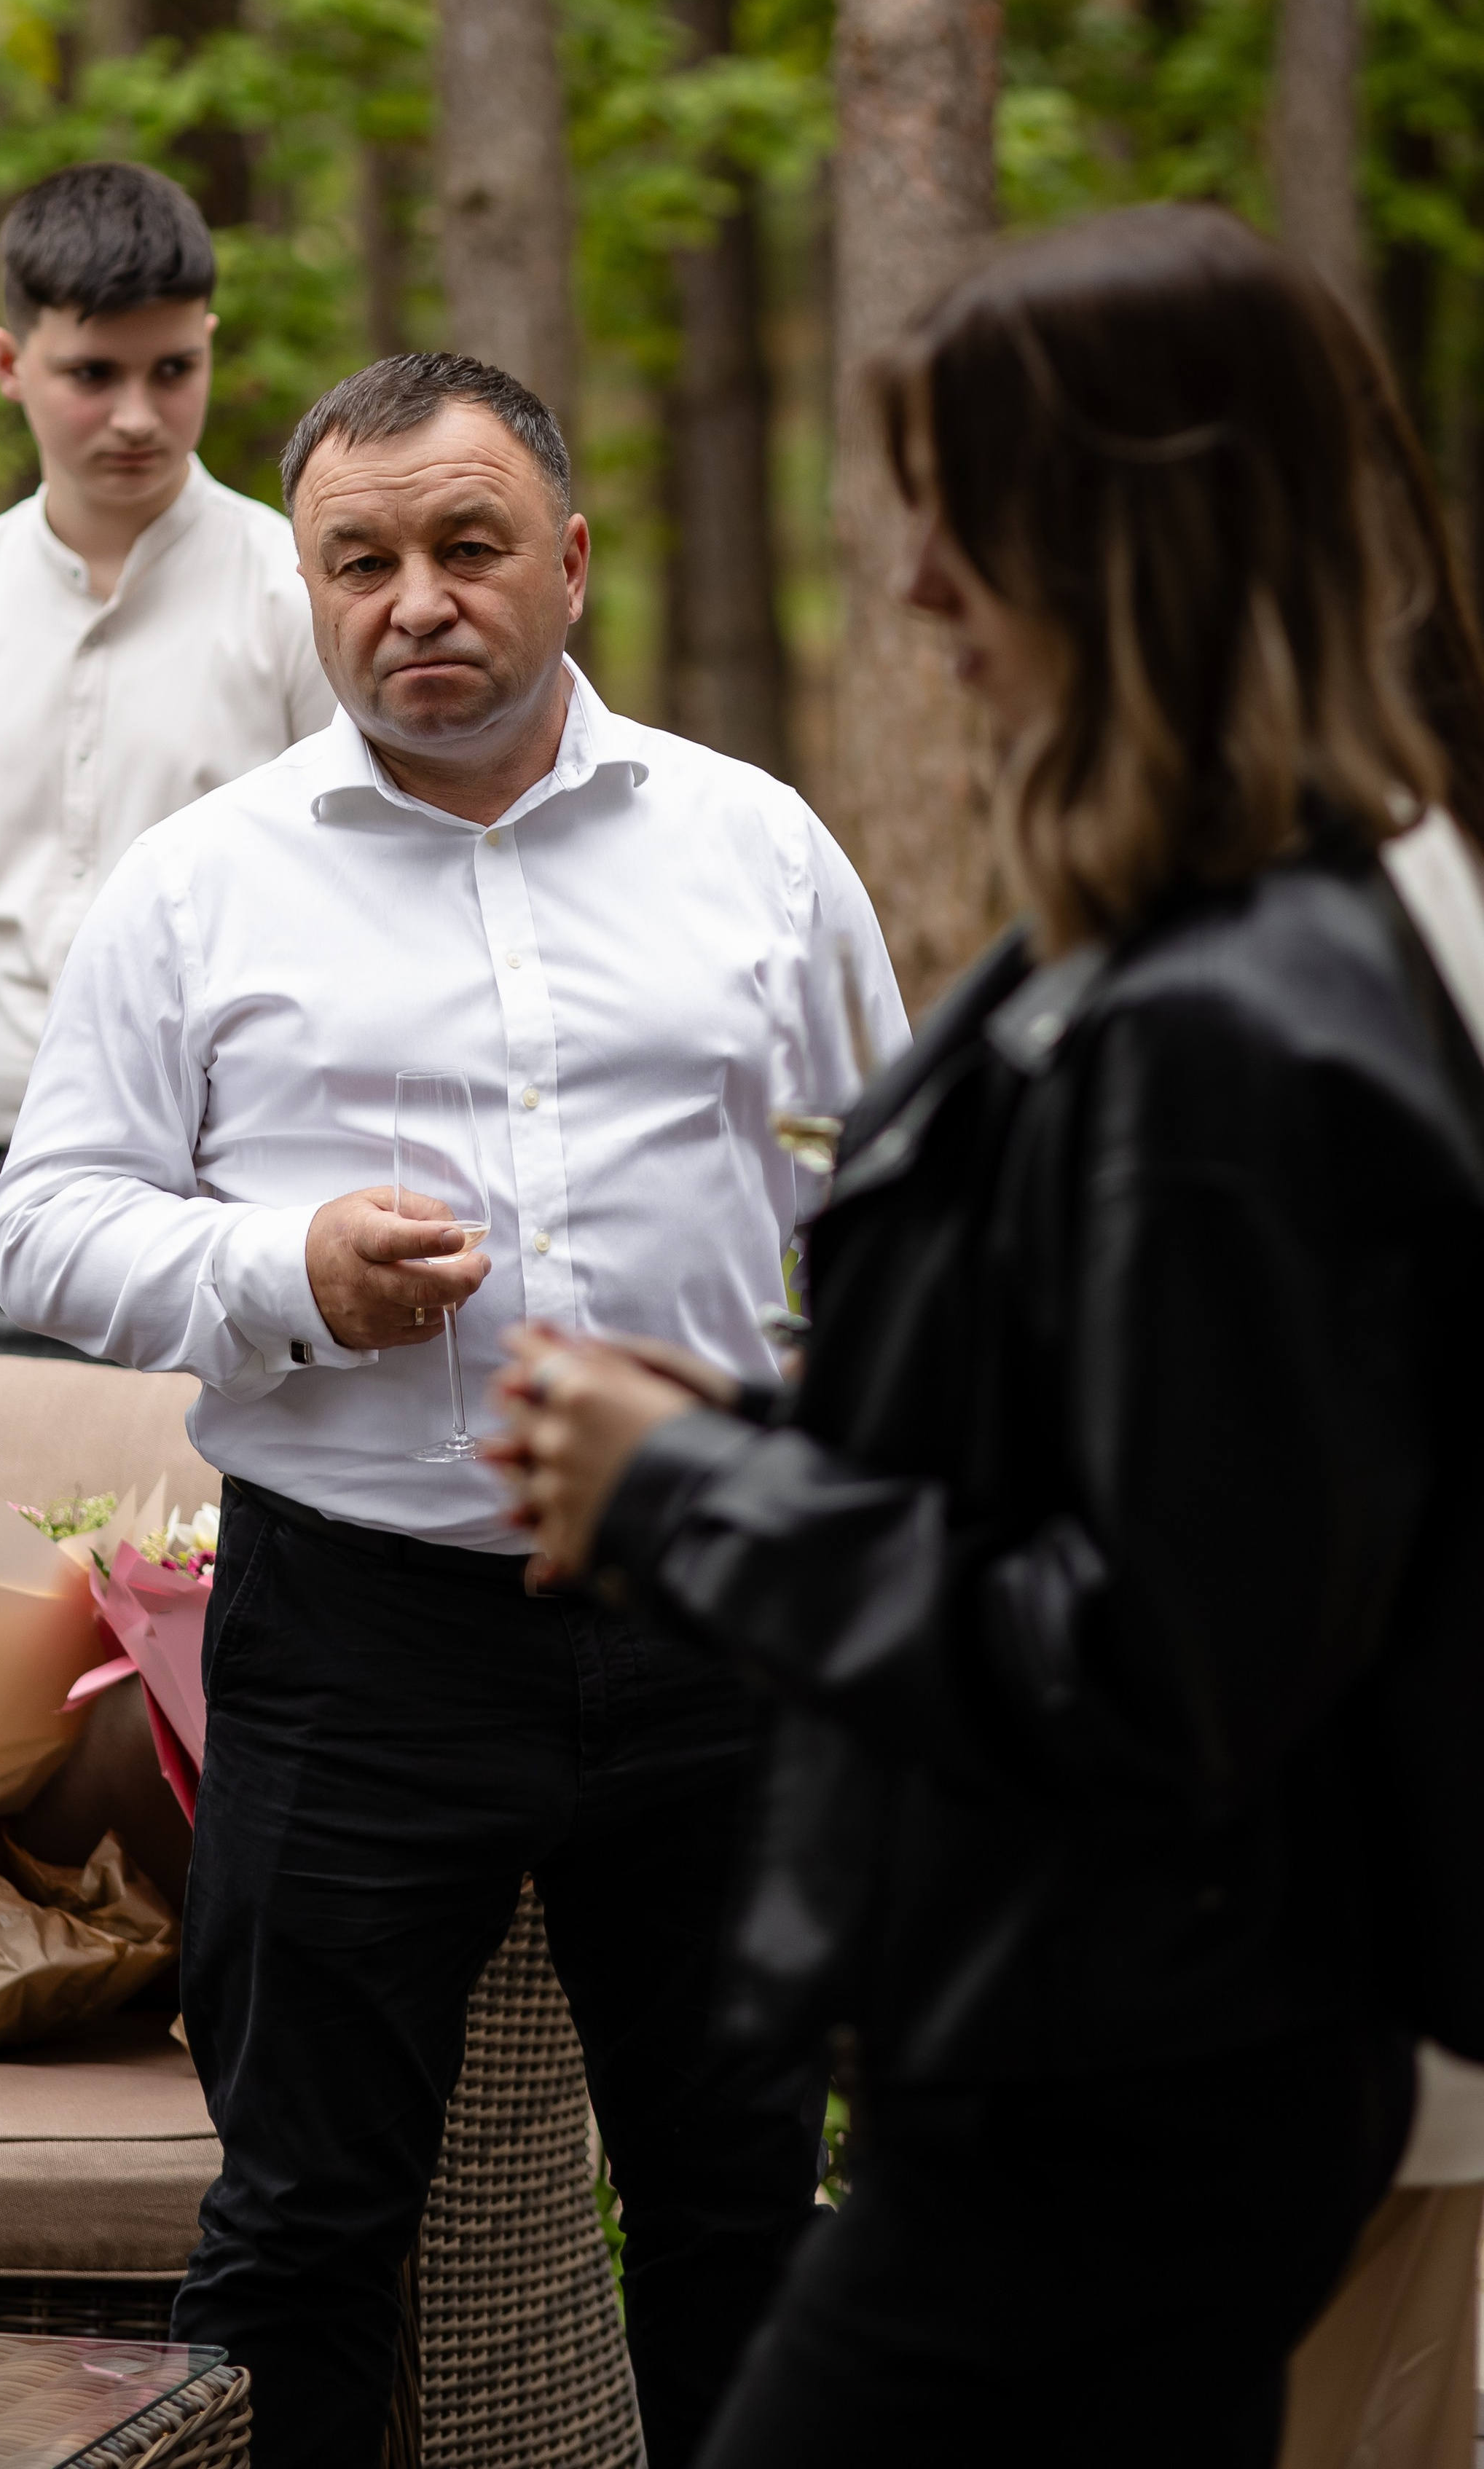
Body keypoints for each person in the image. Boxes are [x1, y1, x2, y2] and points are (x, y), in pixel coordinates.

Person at [491, 203, 1484, 2468]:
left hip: (1127, 2073)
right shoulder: (1159, 940)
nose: (919, 582)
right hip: (1068, 2044)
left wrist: (696, 1493)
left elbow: (1166, 1662)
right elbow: (1102, 1422)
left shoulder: (1247, 1027)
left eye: (967, 515)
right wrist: (758, 1422)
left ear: (1139, 539)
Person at [0, 350, 908, 2468]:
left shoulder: (757, 849)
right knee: (304, 2223)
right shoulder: (198, 884)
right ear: (308, 597)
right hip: (357, 1643)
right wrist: (275, 1276)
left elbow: (886, 1209)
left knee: (741, 2205)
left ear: (568, 563)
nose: (420, 599)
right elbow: (46, 1227)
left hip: (709, 1630)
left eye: (469, 546)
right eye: (362, 561)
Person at [0, 160, 333, 1405]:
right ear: (9, 363)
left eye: (174, 369)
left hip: (219, 1208)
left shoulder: (301, 602)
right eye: (92, 374)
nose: (139, 417)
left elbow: (359, 908)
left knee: (204, 1585)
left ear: (210, 345)